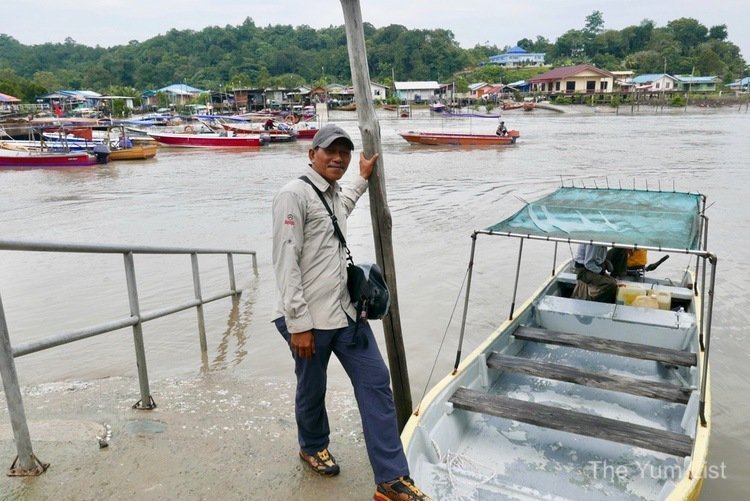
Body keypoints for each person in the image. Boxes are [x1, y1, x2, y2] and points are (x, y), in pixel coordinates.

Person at [272, 124, 431, 501]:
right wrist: (298, 324)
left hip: (346, 314)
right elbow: (285, 262)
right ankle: (312, 445)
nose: (338, 158)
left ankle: (391, 480)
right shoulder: (293, 195)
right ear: (312, 154)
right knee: (312, 387)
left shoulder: (331, 195)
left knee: (376, 383)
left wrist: (361, 178)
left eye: (344, 152)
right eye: (330, 151)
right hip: (307, 319)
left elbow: (342, 209)